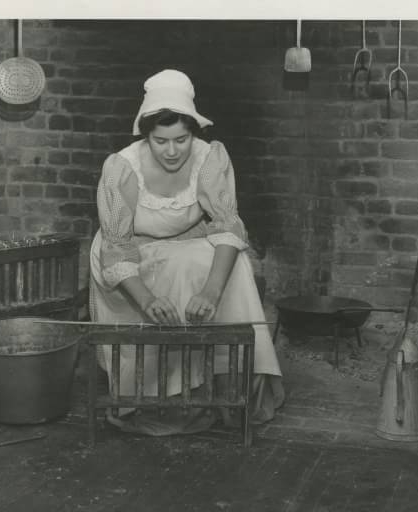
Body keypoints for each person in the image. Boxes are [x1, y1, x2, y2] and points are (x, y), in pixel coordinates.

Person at [89, 69, 285, 436]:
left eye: (181, 139)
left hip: (184, 242)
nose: (173, 151)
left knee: (237, 264)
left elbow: (228, 225)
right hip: (131, 260)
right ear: (146, 135)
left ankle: (231, 388)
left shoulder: (209, 158)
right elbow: (116, 250)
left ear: (193, 131)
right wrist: (148, 301)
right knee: (180, 266)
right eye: (161, 141)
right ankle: (167, 401)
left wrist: (211, 292)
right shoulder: (123, 168)